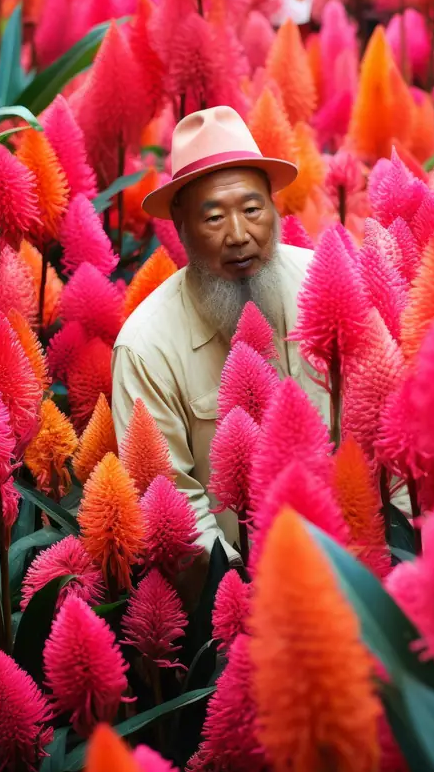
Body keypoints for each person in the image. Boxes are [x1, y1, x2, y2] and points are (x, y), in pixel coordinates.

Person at [111, 106, 329, 591]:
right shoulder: (146, 347)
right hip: (237, 597)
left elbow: (376, 429)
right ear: (182, 231)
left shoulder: (326, 282)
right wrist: (243, 598)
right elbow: (171, 501)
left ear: (274, 208)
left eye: (252, 210)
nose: (238, 235)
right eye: (213, 217)